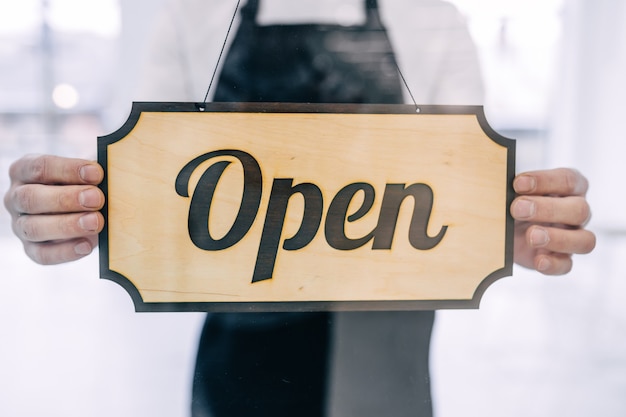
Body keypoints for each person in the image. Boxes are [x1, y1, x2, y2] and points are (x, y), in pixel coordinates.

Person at [3, 1, 596, 416]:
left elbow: (459, 183)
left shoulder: (432, 16)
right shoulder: (192, 11)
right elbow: (149, 182)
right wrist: (72, 209)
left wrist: (511, 224)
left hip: (387, 327)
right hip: (244, 329)